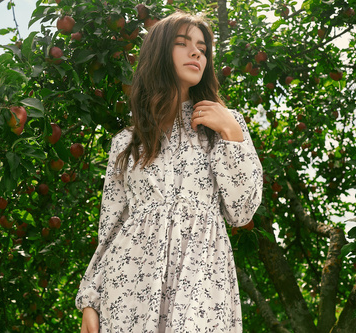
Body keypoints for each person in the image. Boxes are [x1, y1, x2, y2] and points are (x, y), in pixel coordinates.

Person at [76, 11, 263, 333]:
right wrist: (90, 298)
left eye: (202, 48)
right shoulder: (126, 142)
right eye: (183, 44)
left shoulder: (225, 125)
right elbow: (110, 228)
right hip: (131, 279)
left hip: (203, 273)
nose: (196, 53)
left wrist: (232, 134)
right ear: (160, 53)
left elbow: (242, 210)